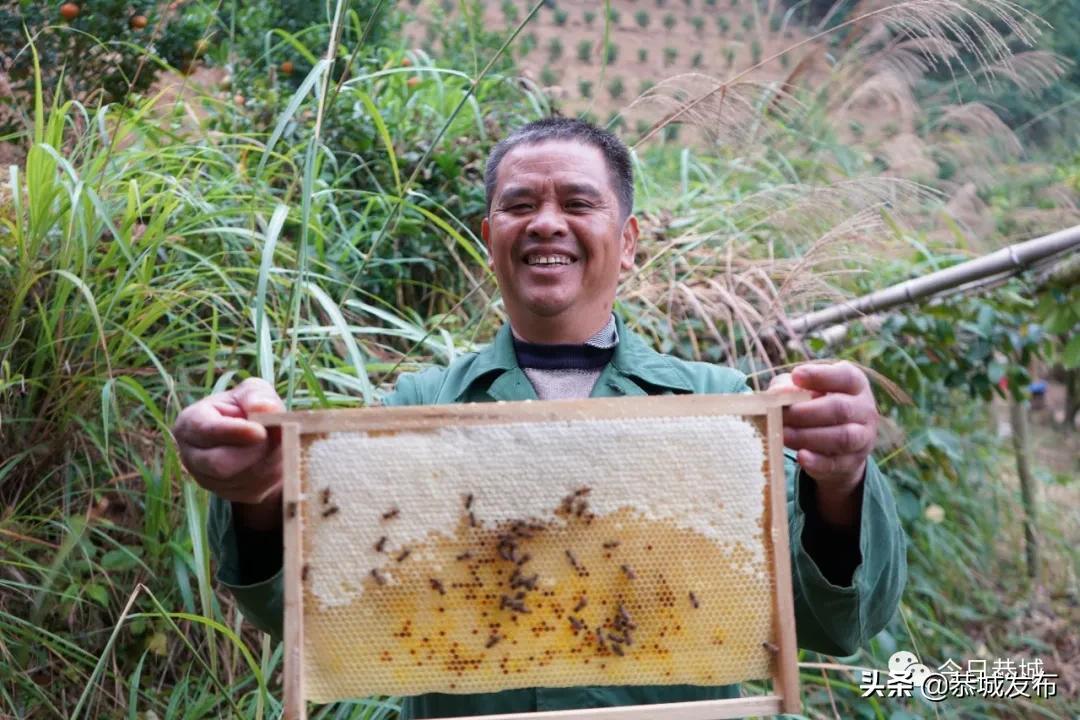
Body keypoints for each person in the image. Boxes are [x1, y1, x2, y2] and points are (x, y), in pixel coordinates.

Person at [172, 117, 907, 718]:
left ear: (627, 240)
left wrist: (838, 479)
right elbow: (315, 616)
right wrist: (256, 497)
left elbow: (837, 621)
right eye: (521, 205)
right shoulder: (414, 411)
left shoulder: (715, 411)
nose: (546, 223)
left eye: (578, 204)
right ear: (488, 234)